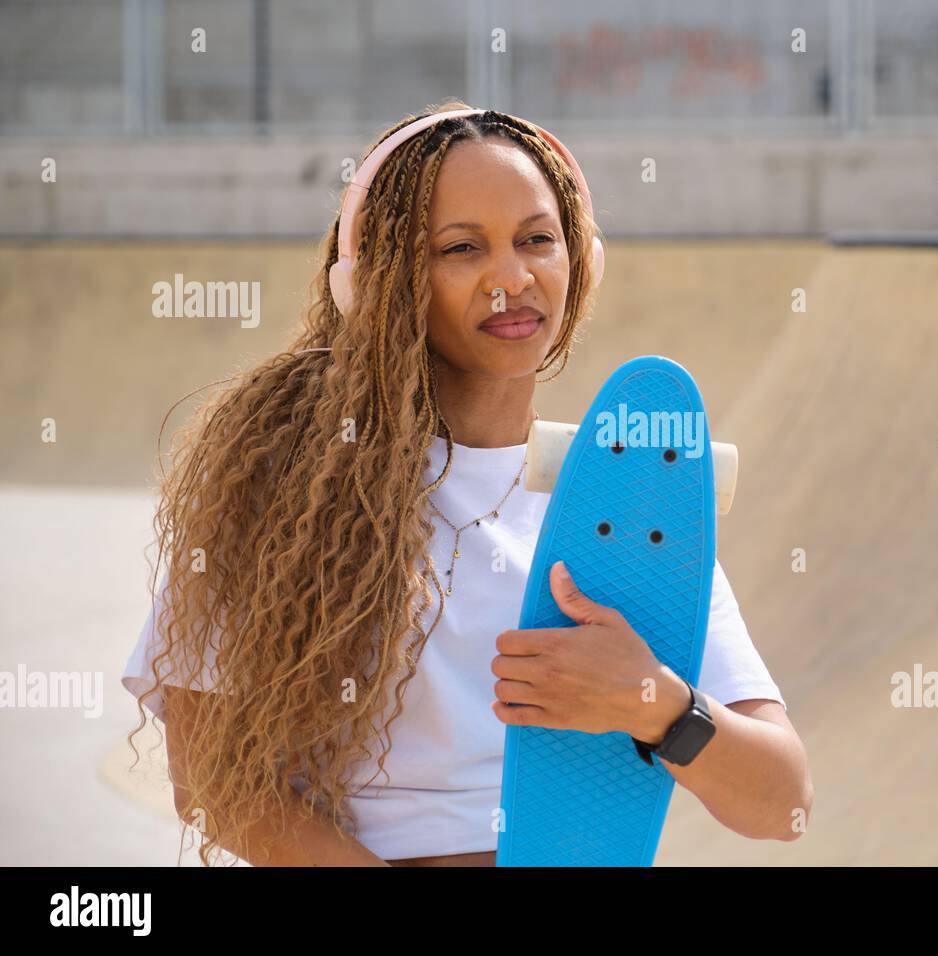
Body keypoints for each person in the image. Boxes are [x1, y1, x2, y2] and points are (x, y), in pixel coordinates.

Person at [121, 99, 812, 867]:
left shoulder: (625, 503)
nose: (510, 278)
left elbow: (783, 804)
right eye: (460, 248)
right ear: (380, 281)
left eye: (536, 240)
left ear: (580, 261)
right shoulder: (290, 486)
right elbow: (213, 779)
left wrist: (654, 704)